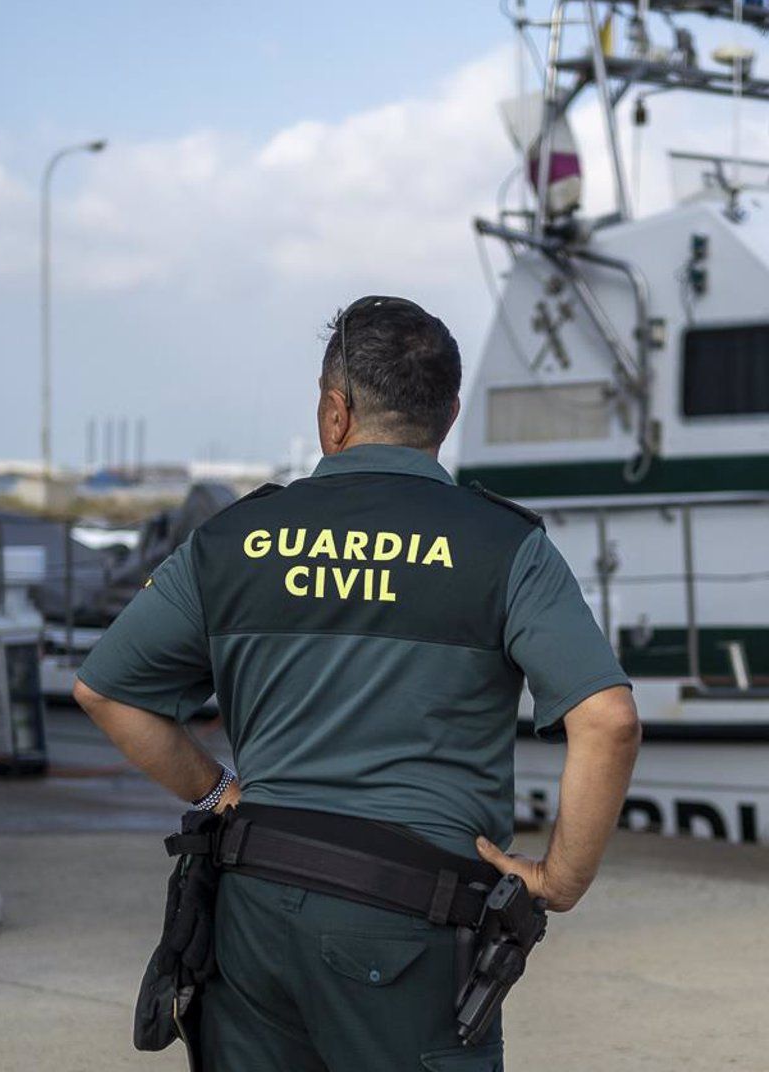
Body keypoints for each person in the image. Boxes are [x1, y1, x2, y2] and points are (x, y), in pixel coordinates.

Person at [74, 295, 639, 1070]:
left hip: (252, 913)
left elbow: (106, 692)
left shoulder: (236, 537)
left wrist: (216, 792)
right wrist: (560, 878)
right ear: (448, 414)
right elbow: (607, 719)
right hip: (409, 923)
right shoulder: (504, 545)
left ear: (334, 413)